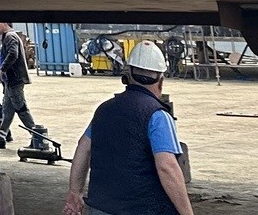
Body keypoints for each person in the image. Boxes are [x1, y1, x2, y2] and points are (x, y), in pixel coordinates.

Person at [63, 41, 193, 215]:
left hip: (100, 208)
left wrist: (75, 192)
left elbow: (83, 148)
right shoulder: (158, 116)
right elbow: (167, 167)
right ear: (160, 81)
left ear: (128, 76)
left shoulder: (104, 109)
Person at [0, 19, 48, 145]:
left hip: (15, 79)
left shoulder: (10, 36)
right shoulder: (8, 36)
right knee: (7, 108)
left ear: (4, 23)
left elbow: (13, 54)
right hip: (11, 80)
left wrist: (2, 69)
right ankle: (1, 135)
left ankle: (37, 136)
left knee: (21, 108)